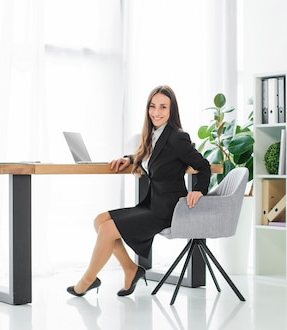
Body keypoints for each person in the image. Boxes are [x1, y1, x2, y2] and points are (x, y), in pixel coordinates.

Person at [67, 85, 211, 297]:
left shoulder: (177, 137)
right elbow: (149, 157)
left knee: (107, 230)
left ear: (172, 110)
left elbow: (204, 165)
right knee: (99, 221)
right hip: (152, 204)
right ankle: (131, 269)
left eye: (163, 107)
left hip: (167, 210)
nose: (156, 112)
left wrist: (199, 189)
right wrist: (128, 159)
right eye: (152, 106)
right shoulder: (152, 134)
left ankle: (87, 281)